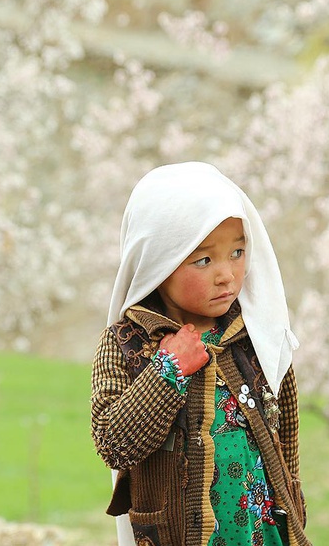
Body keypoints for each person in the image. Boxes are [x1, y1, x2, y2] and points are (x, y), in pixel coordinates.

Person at [91, 162, 312, 546]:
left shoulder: (257, 333)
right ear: (158, 262)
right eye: (204, 260)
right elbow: (114, 444)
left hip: (263, 532)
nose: (227, 275)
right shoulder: (126, 344)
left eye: (238, 252)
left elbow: (286, 428)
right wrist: (168, 370)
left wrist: (292, 496)